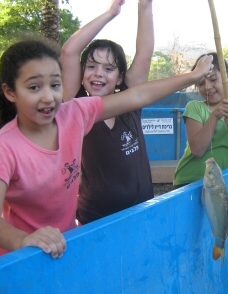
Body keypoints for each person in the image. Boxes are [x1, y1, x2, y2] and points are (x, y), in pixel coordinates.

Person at [0, 37, 214, 259]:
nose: (48, 97)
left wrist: (193, 76)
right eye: (34, 87)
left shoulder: (73, 114)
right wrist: (23, 240)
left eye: (55, 85)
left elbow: (138, 94)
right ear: (10, 92)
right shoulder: (1, 150)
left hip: (65, 247)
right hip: (18, 260)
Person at [60, 0, 155, 224]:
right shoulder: (74, 107)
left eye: (109, 68)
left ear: (120, 78)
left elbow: (145, 52)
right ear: (81, 74)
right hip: (94, 218)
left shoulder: (131, 101)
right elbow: (69, 51)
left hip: (141, 211)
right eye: (91, 66)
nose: (98, 74)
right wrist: (111, 12)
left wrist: (144, 5)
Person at [173, 53, 228, 187]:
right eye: (201, 83)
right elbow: (197, 150)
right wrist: (215, 116)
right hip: (188, 182)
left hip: (218, 183)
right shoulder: (194, 107)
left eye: (213, 79)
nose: (207, 87)